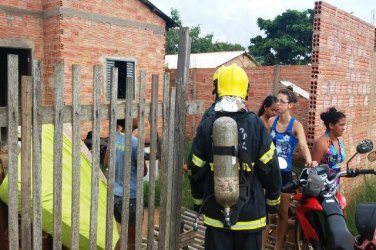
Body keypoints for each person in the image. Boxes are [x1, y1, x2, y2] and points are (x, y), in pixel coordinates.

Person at [188, 64, 281, 250]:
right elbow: (270, 168)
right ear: (245, 91)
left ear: (217, 90)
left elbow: (196, 168)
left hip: (216, 215)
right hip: (251, 217)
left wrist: (198, 202)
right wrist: (273, 204)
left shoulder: (208, 123)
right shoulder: (256, 124)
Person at [268, 86, 317, 250]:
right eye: (277, 100)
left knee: (282, 213)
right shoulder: (270, 122)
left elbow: (303, 146)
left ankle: (277, 246)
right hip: (269, 173)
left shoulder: (296, 126)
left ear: (290, 105)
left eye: (282, 101)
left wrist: (310, 161)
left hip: (285, 175)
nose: (278, 103)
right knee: (267, 213)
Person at [104, 119, 147, 250]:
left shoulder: (114, 138)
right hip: (130, 198)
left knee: (125, 237)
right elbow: (143, 171)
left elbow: (106, 162)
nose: (138, 118)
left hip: (115, 196)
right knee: (132, 241)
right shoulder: (135, 142)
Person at [258, 95, 278, 250]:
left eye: (276, 110)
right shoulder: (259, 123)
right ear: (265, 107)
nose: (274, 113)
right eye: (272, 109)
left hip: (272, 166)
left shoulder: (272, 123)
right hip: (263, 170)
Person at [312, 107, 346, 173]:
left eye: (344, 125)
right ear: (331, 125)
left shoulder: (340, 141)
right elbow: (312, 169)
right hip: (322, 182)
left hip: (335, 181)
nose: (343, 128)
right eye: (341, 125)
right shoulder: (321, 143)